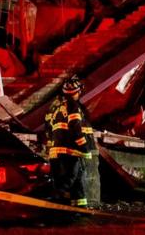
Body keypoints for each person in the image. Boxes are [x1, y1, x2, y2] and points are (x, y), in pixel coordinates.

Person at [44, 76, 96, 207]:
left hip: (59, 152)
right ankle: (53, 203)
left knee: (76, 181)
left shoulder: (56, 108)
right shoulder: (73, 106)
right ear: (77, 92)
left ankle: (79, 208)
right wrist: (83, 145)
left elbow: (49, 129)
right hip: (71, 151)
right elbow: (75, 127)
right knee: (69, 180)